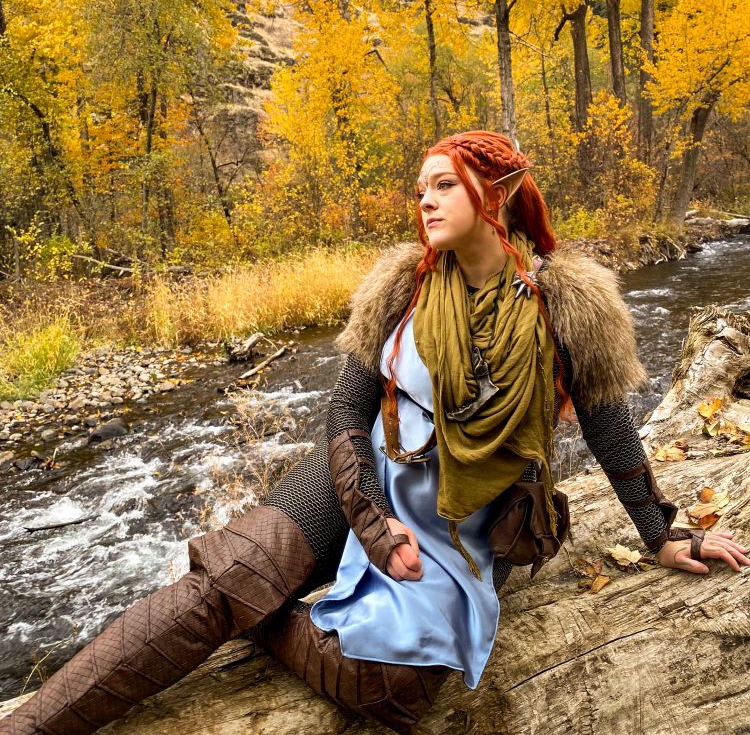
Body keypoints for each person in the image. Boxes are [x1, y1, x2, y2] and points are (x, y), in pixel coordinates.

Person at [3, 130, 748, 735]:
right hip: (364, 477)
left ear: (497, 192)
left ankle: (269, 614)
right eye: (420, 187)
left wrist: (663, 533)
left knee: (391, 688)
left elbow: (609, 425)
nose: (424, 199)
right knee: (217, 588)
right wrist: (372, 522)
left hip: (471, 517)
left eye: (443, 183)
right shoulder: (401, 286)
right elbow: (344, 414)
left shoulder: (569, 300)